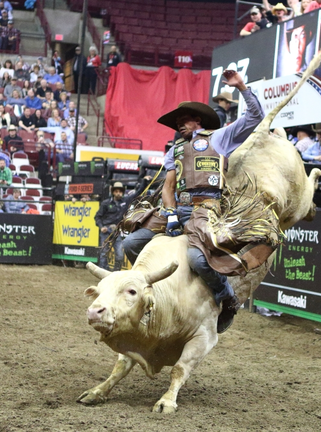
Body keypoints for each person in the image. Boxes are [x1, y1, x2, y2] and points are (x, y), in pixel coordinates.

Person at [122, 69, 264, 334]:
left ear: (198, 120)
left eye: (183, 120)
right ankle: (157, 293)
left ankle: (226, 297)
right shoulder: (174, 150)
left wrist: (242, 86)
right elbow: (168, 187)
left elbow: (255, 116)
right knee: (130, 244)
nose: (178, 125)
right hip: (178, 208)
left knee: (198, 261)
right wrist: (171, 213)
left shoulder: (220, 138)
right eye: (177, 122)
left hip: (207, 208)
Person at [95, 182, 129, 270]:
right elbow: (97, 217)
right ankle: (102, 272)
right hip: (106, 230)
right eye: (116, 191)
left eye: (120, 191)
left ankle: (115, 273)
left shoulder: (125, 202)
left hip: (117, 231)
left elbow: (138, 193)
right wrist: (101, 227)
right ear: (113, 192)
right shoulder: (106, 203)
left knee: (120, 254)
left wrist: (144, 182)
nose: (118, 193)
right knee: (103, 253)